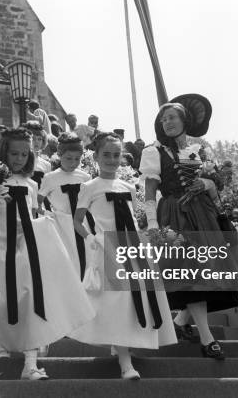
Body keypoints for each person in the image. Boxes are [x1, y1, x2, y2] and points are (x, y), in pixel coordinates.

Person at [0, 128, 94, 380]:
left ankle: (31, 363)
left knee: (31, 297)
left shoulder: (31, 183)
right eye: (14, 153)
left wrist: (42, 222)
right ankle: (4, 341)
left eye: (24, 154)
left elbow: (31, 214)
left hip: (27, 245)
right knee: (2, 298)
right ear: (3, 151)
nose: (18, 158)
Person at [139, 95, 238, 360]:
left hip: (203, 215)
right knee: (192, 273)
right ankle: (208, 339)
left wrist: (206, 184)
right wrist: (152, 224)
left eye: (172, 117)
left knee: (206, 271)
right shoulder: (154, 152)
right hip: (174, 214)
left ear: (184, 120)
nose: (167, 122)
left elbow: (215, 183)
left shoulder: (200, 148)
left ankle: (180, 322)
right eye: (163, 119)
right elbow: (150, 192)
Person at [68, 132, 176, 379]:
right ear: (95, 157)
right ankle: (126, 363)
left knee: (135, 296)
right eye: (106, 155)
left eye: (116, 155)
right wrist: (91, 239)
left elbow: (133, 216)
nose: (111, 159)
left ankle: (123, 347)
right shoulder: (88, 187)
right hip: (108, 248)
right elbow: (77, 220)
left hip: (133, 245)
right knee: (119, 300)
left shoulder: (128, 186)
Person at [37, 133, 91, 279]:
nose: (73, 163)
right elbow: (38, 200)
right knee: (69, 261)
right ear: (59, 155)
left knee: (88, 259)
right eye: (68, 158)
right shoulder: (50, 178)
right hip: (62, 225)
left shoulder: (85, 177)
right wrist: (48, 215)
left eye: (77, 159)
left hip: (83, 222)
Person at [21, 122, 52, 212]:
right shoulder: (20, 161)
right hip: (25, 199)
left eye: (40, 139)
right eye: (33, 139)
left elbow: (47, 187)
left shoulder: (46, 164)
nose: (36, 142)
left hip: (41, 203)